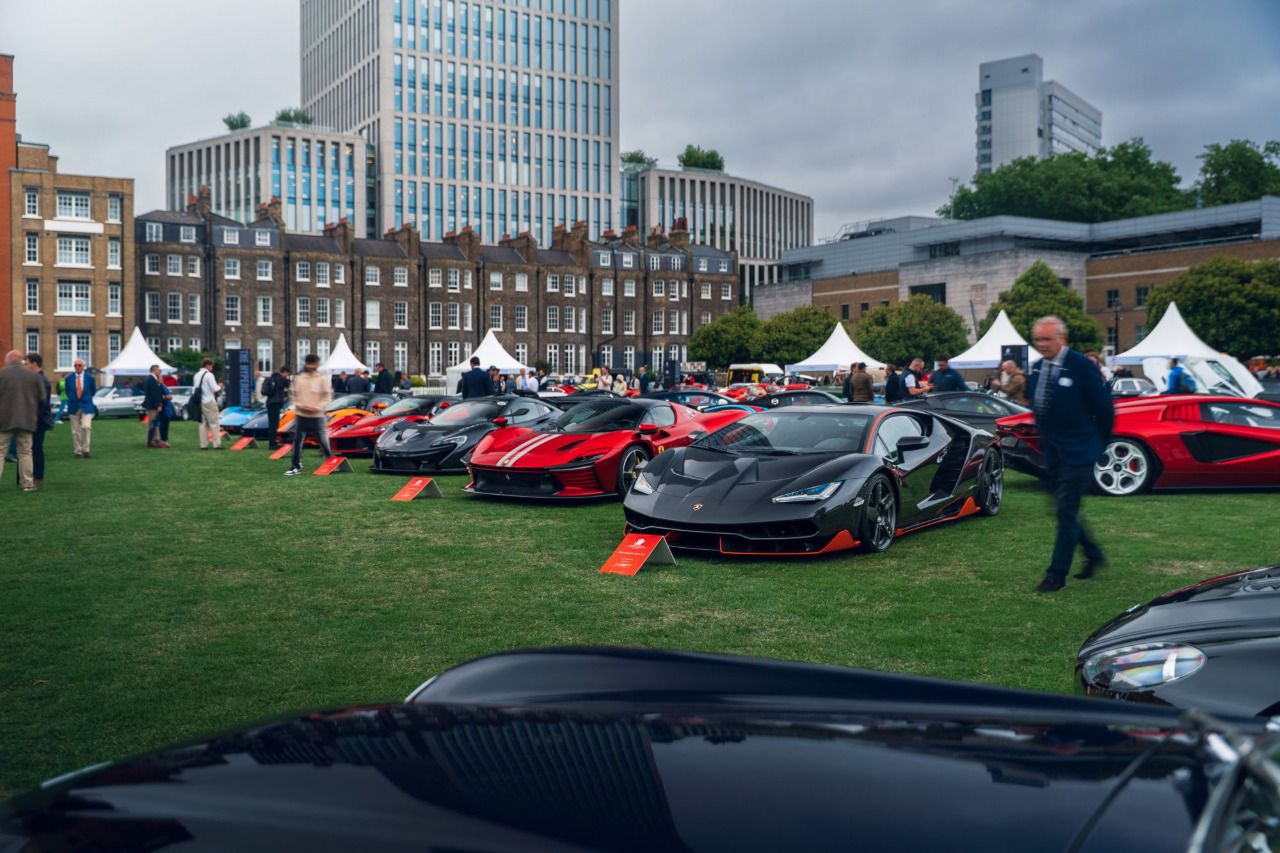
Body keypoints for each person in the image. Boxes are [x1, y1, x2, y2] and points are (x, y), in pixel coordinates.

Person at [1028, 316, 1114, 593]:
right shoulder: (1037, 368)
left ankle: (1056, 574)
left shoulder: (1081, 365)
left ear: (1062, 339)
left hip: (1080, 451)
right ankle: (1093, 554)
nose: (1042, 344)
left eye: (1047, 339)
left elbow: (1104, 408)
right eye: (1038, 339)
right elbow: (1038, 407)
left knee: (1066, 510)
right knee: (1065, 509)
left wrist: (1099, 444)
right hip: (1052, 452)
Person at [0, 350, 46, 492]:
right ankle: (27, 483)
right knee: (25, 452)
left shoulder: (1, 374)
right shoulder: (33, 375)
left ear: (8, 360)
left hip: (4, 420)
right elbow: (42, 398)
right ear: (20, 360)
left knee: (0, 451)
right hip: (26, 420)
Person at [285, 353, 333, 476]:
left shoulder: (321, 379)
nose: (312, 366)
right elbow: (292, 395)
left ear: (317, 364)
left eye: (314, 364)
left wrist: (318, 407)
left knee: (323, 440)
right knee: (298, 441)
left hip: (317, 415)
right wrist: (301, 405)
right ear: (306, 364)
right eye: (310, 364)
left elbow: (327, 397)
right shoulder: (299, 378)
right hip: (302, 414)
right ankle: (295, 465)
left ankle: (330, 462)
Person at [23, 352, 54, 489]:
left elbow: (41, 404)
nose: (25, 366)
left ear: (34, 364)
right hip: (34, 419)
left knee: (36, 449)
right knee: (30, 449)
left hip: (38, 421)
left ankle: (38, 477)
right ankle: (28, 477)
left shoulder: (42, 380)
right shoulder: (36, 379)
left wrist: (32, 419)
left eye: (27, 364)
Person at [64, 357, 97, 458]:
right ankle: (78, 451)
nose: (77, 367)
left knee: (86, 427)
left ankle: (86, 450)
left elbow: (93, 391)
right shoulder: (68, 378)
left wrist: (86, 399)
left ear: (83, 366)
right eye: (75, 365)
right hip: (73, 406)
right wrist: (73, 399)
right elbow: (67, 391)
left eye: (79, 365)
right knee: (76, 431)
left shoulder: (90, 378)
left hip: (86, 406)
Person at [193, 358, 223, 450]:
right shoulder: (209, 375)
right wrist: (220, 386)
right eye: (211, 366)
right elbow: (214, 388)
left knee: (202, 424)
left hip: (200, 402)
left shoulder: (196, 375)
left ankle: (203, 445)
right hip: (209, 401)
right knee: (214, 423)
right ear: (207, 365)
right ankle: (216, 444)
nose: (212, 368)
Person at [260, 365, 291, 449]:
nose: (287, 376)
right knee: (274, 424)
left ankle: (272, 442)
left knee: (271, 424)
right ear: (285, 372)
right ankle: (272, 444)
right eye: (287, 374)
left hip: (269, 402)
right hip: (276, 403)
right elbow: (290, 384)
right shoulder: (281, 379)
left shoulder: (272, 378)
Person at [142, 364, 171, 448]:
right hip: (152, 406)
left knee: (152, 423)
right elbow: (154, 394)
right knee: (154, 423)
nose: (159, 371)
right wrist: (158, 405)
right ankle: (154, 441)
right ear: (154, 370)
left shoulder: (149, 379)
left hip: (150, 405)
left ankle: (153, 441)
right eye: (158, 370)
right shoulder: (152, 379)